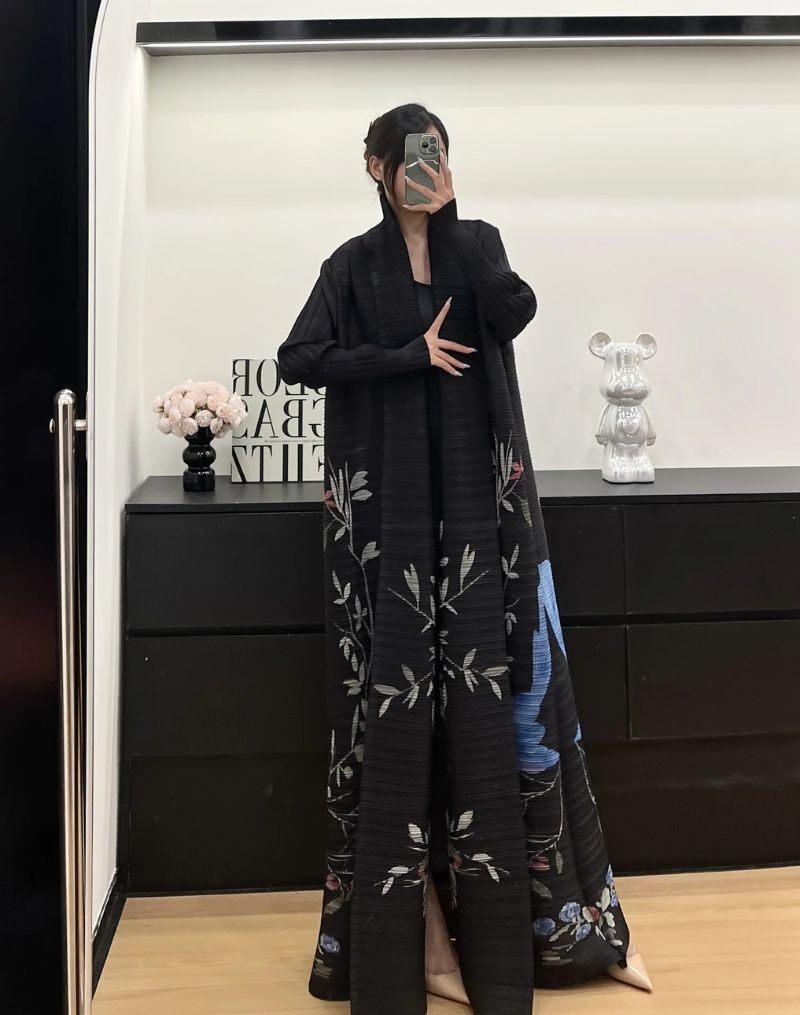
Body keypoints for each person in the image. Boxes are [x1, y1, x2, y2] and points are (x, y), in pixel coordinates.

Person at [277, 102, 652, 1015]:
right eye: (411, 155)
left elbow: (515, 311)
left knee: (510, 704)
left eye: (438, 153)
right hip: (388, 524)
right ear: (374, 165)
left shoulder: (478, 243)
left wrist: (454, 222)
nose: (425, 166)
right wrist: (406, 355)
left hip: (485, 515)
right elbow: (299, 358)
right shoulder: (350, 266)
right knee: (396, 716)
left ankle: (567, 928)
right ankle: (420, 939)